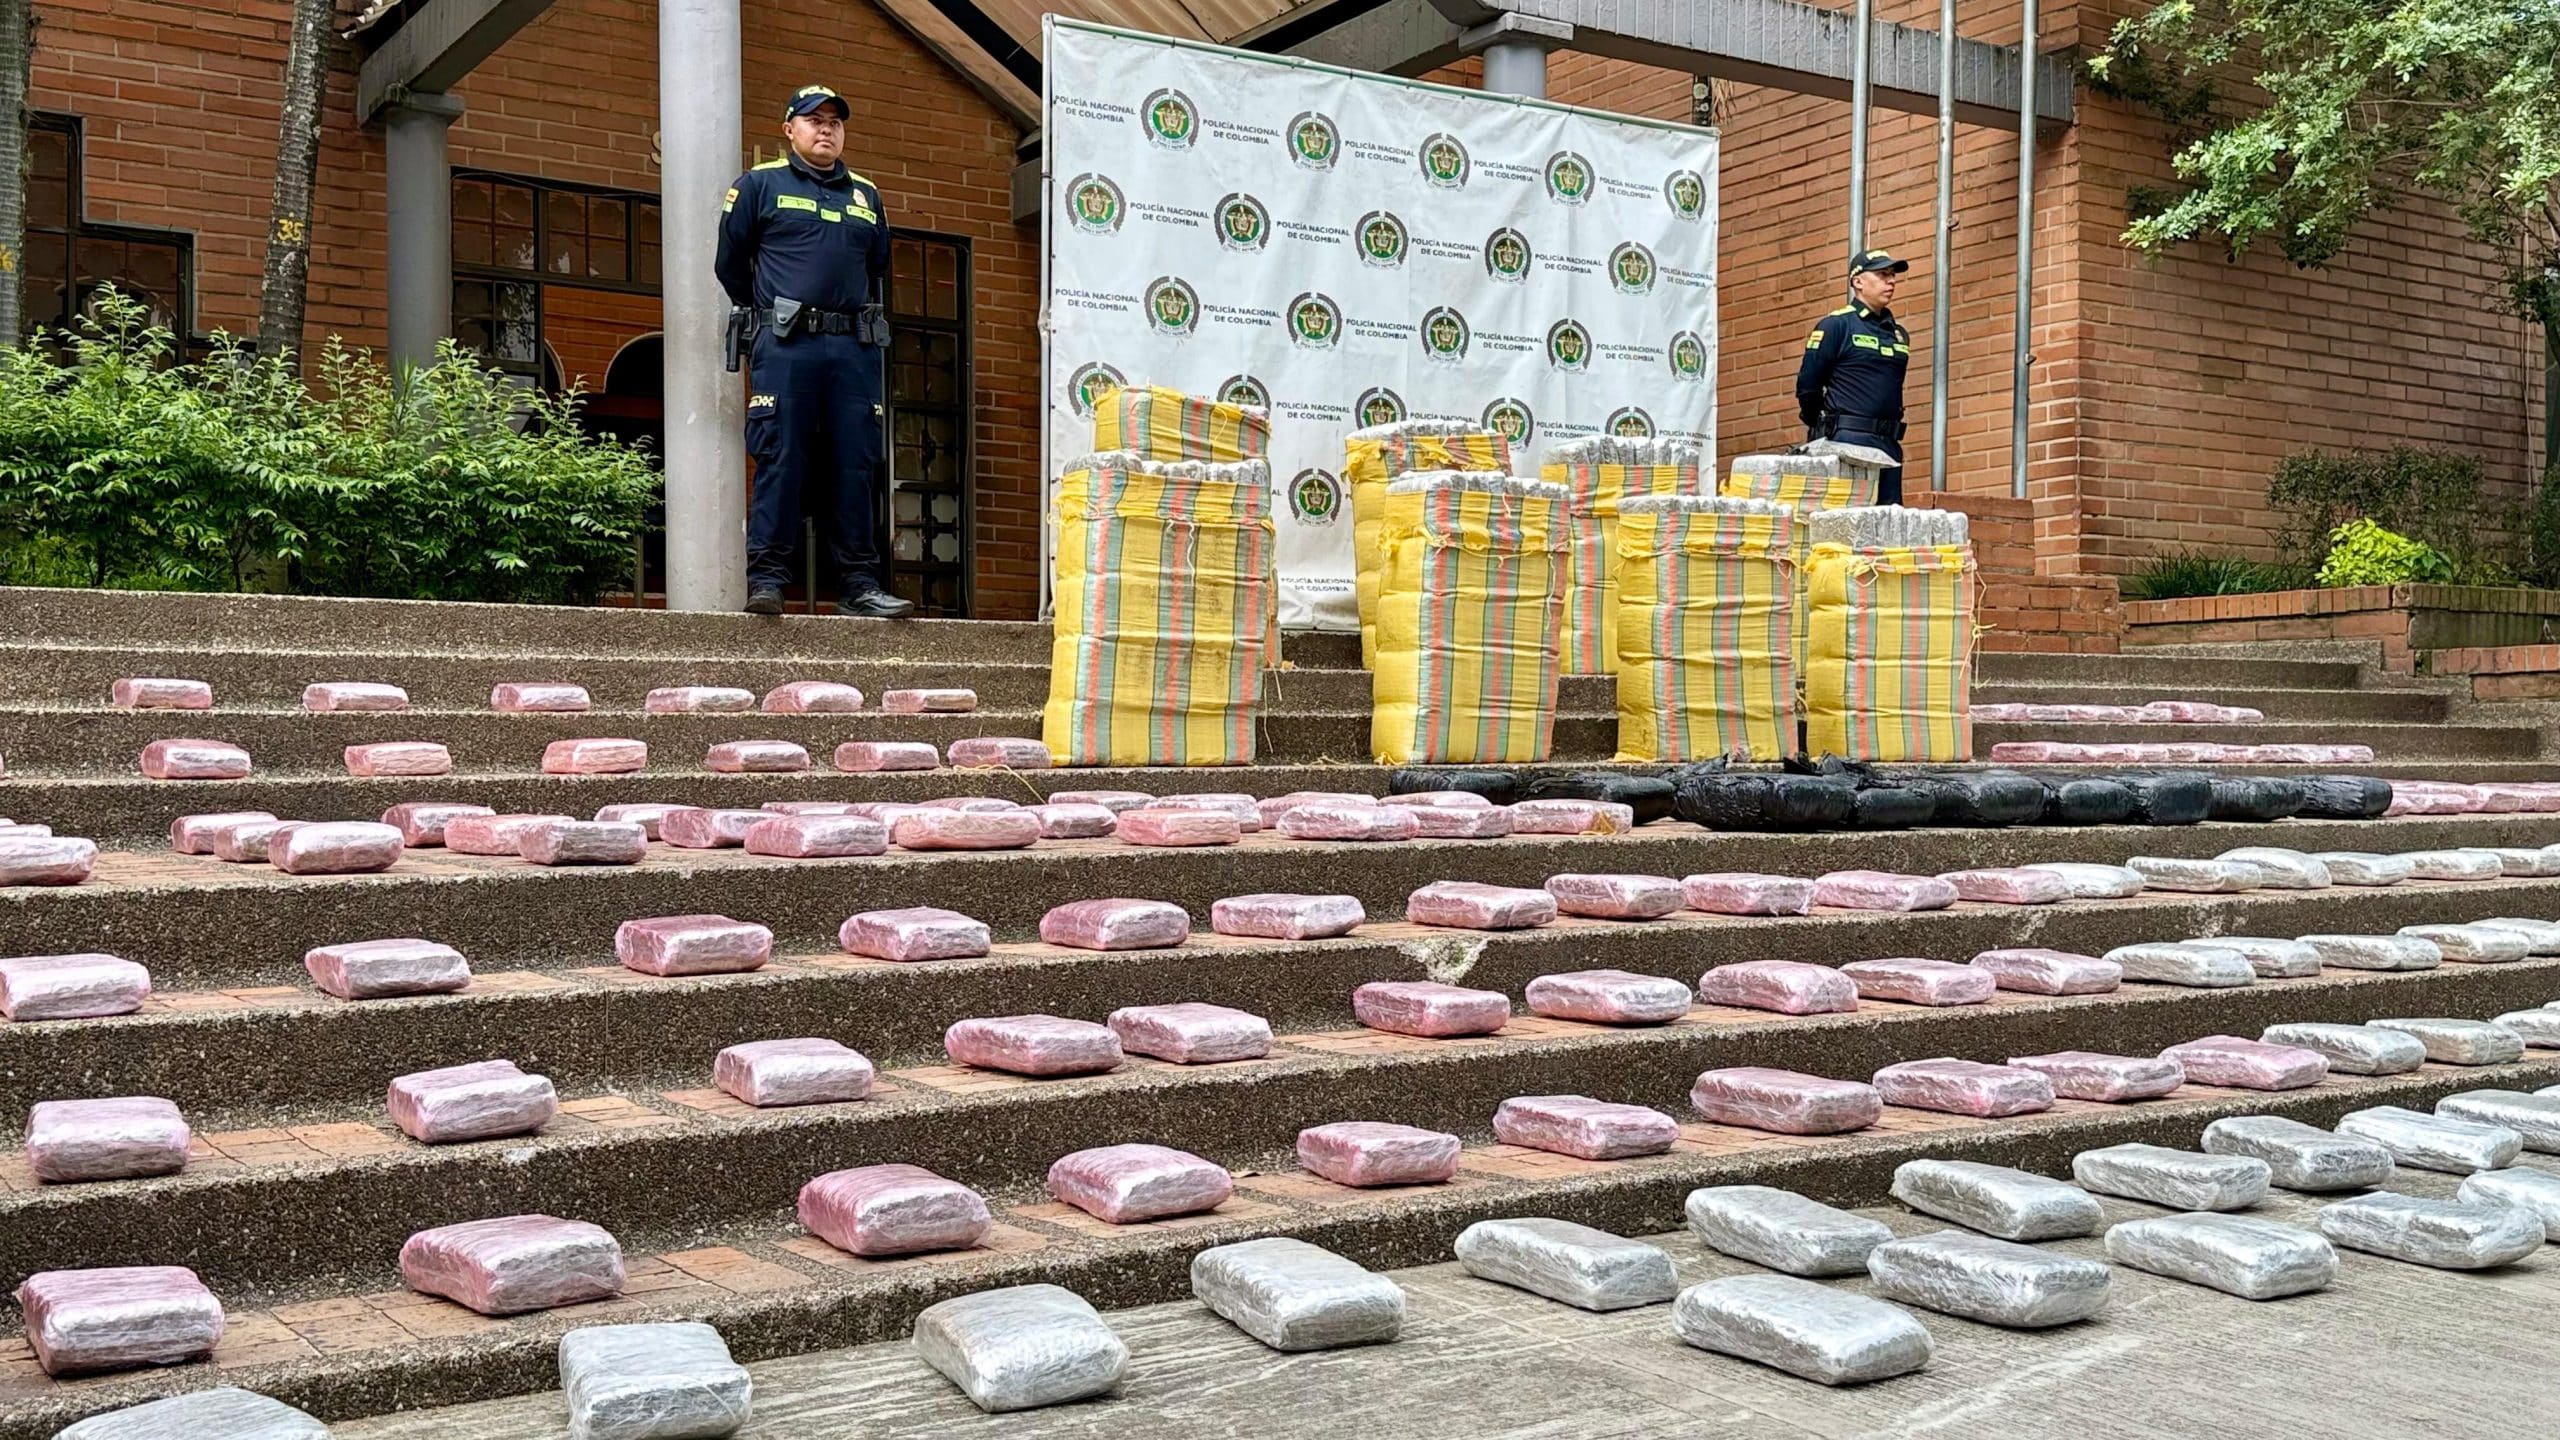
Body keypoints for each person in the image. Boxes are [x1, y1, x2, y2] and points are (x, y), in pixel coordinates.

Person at [715, 83, 915, 617]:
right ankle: (768, 581)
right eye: (813, 119)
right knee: (783, 456)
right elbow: (730, 264)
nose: (825, 128)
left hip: (853, 346)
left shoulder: (865, 195)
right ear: (789, 129)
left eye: (834, 121)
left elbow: (877, 266)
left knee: (856, 462)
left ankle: (859, 585)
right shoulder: (760, 185)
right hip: (787, 343)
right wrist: (765, 313)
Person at [1796, 248, 1914, 504]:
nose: (1891, 280)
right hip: (1847, 441)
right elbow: (1808, 385)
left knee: (1888, 523)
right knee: (1848, 523)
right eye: (1883, 274)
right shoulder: (1836, 325)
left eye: (1893, 275)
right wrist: (1823, 425)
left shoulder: (1899, 333)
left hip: (1889, 444)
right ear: (1858, 281)